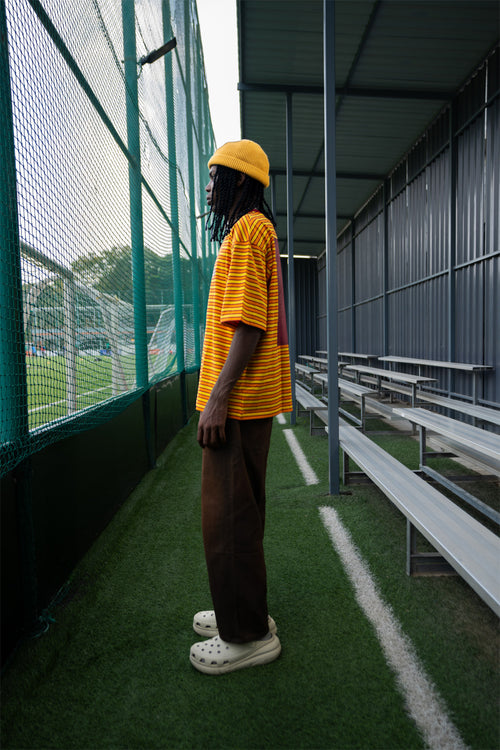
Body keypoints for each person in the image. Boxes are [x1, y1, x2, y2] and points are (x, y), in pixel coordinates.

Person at [190, 139, 292, 674]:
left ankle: (247, 635)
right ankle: (244, 612)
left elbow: (249, 322)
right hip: (248, 403)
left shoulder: (248, 231)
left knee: (226, 521)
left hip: (238, 404)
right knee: (242, 517)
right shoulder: (255, 231)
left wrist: (218, 399)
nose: (209, 186)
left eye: (216, 176)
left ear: (241, 181)